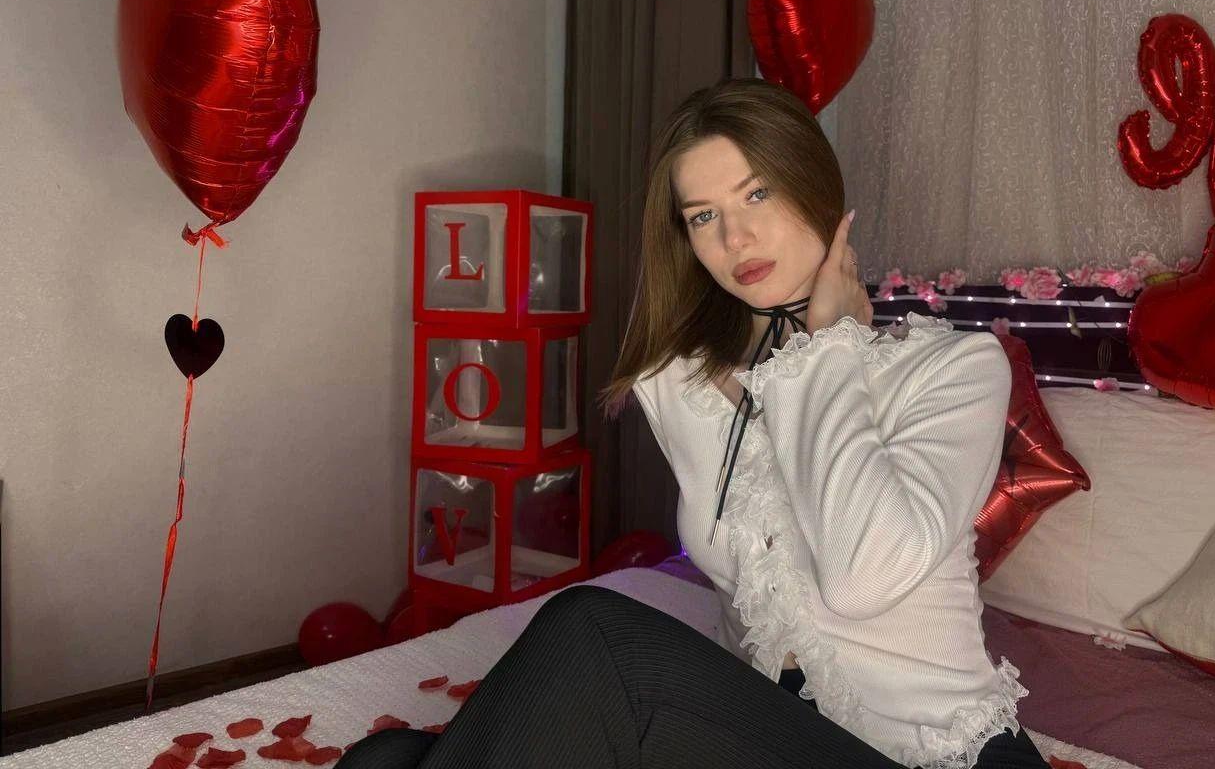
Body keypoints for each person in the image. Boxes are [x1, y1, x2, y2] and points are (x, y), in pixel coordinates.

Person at [338, 78, 1048, 769]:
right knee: (385, 758)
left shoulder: (952, 369)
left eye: (757, 194)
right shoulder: (683, 385)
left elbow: (862, 578)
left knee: (593, 628)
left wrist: (825, 349)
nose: (736, 237)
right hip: (774, 737)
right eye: (703, 216)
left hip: (937, 754)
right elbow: (747, 618)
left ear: (818, 188)